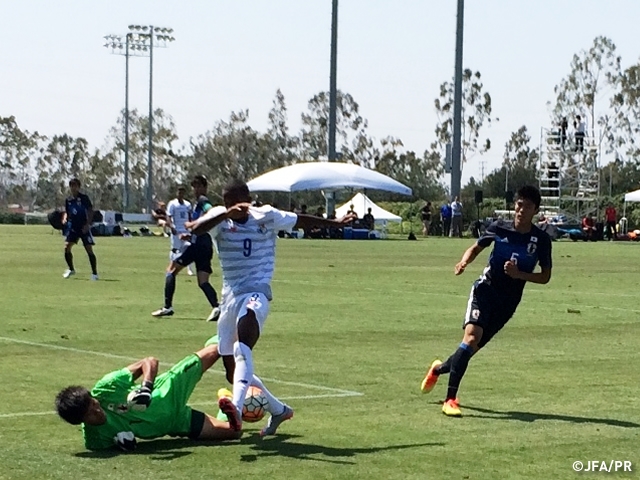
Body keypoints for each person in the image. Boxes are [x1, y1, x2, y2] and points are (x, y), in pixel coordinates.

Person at [191, 178, 356, 435]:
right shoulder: (220, 218)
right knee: (231, 373)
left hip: (256, 293)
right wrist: (224, 214)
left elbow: (299, 219)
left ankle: (235, 407)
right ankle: (279, 410)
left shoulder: (265, 215)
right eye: (229, 202)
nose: (237, 206)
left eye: (240, 201)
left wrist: (333, 223)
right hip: (230, 297)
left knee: (242, 344)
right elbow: (197, 230)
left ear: (248, 198)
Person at [420, 185, 552, 417]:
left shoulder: (541, 240)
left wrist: (519, 274)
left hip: (508, 302)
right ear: (515, 205)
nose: (521, 210)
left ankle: (438, 369)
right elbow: (475, 247)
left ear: (536, 211)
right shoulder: (499, 227)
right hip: (485, 290)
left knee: (469, 349)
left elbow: (545, 276)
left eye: (528, 207)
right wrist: (464, 262)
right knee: (471, 338)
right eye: (519, 205)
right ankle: (450, 400)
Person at [54, 337, 241, 451]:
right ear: (80, 422)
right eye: (90, 414)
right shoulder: (95, 440)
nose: (98, 411)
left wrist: (146, 388)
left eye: (94, 404)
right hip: (177, 422)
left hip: (170, 389)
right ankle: (226, 401)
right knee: (235, 432)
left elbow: (149, 361)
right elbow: (108, 445)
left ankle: (227, 326)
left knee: (219, 348)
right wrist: (121, 443)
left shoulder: (106, 388)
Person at [151, 175, 221, 322]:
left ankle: (167, 307)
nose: (194, 189)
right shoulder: (196, 204)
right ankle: (217, 307)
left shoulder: (203, 201)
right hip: (204, 244)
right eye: (193, 186)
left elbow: (210, 210)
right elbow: (202, 227)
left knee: (171, 271)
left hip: (197, 246)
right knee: (203, 281)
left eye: (197, 186)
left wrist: (199, 222)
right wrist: (189, 235)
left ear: (204, 187)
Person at [62, 178, 98, 280]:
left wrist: (88, 224)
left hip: (83, 227)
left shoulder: (84, 198)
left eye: (75, 186)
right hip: (73, 227)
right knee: (67, 247)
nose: (73, 188)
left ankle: (94, 273)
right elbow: (67, 212)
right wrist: (65, 218)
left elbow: (90, 211)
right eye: (72, 186)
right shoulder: (68, 200)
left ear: (78, 187)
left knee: (89, 249)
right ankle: (71, 269)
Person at [166, 185, 195, 276]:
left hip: (186, 230)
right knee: (175, 249)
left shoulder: (187, 204)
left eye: (182, 192)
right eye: (179, 192)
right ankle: (172, 267)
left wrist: (192, 227)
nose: (180, 194)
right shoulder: (172, 204)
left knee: (189, 249)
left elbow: (190, 217)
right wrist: (171, 227)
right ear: (177, 193)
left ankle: (189, 269)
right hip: (177, 231)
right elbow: (169, 216)